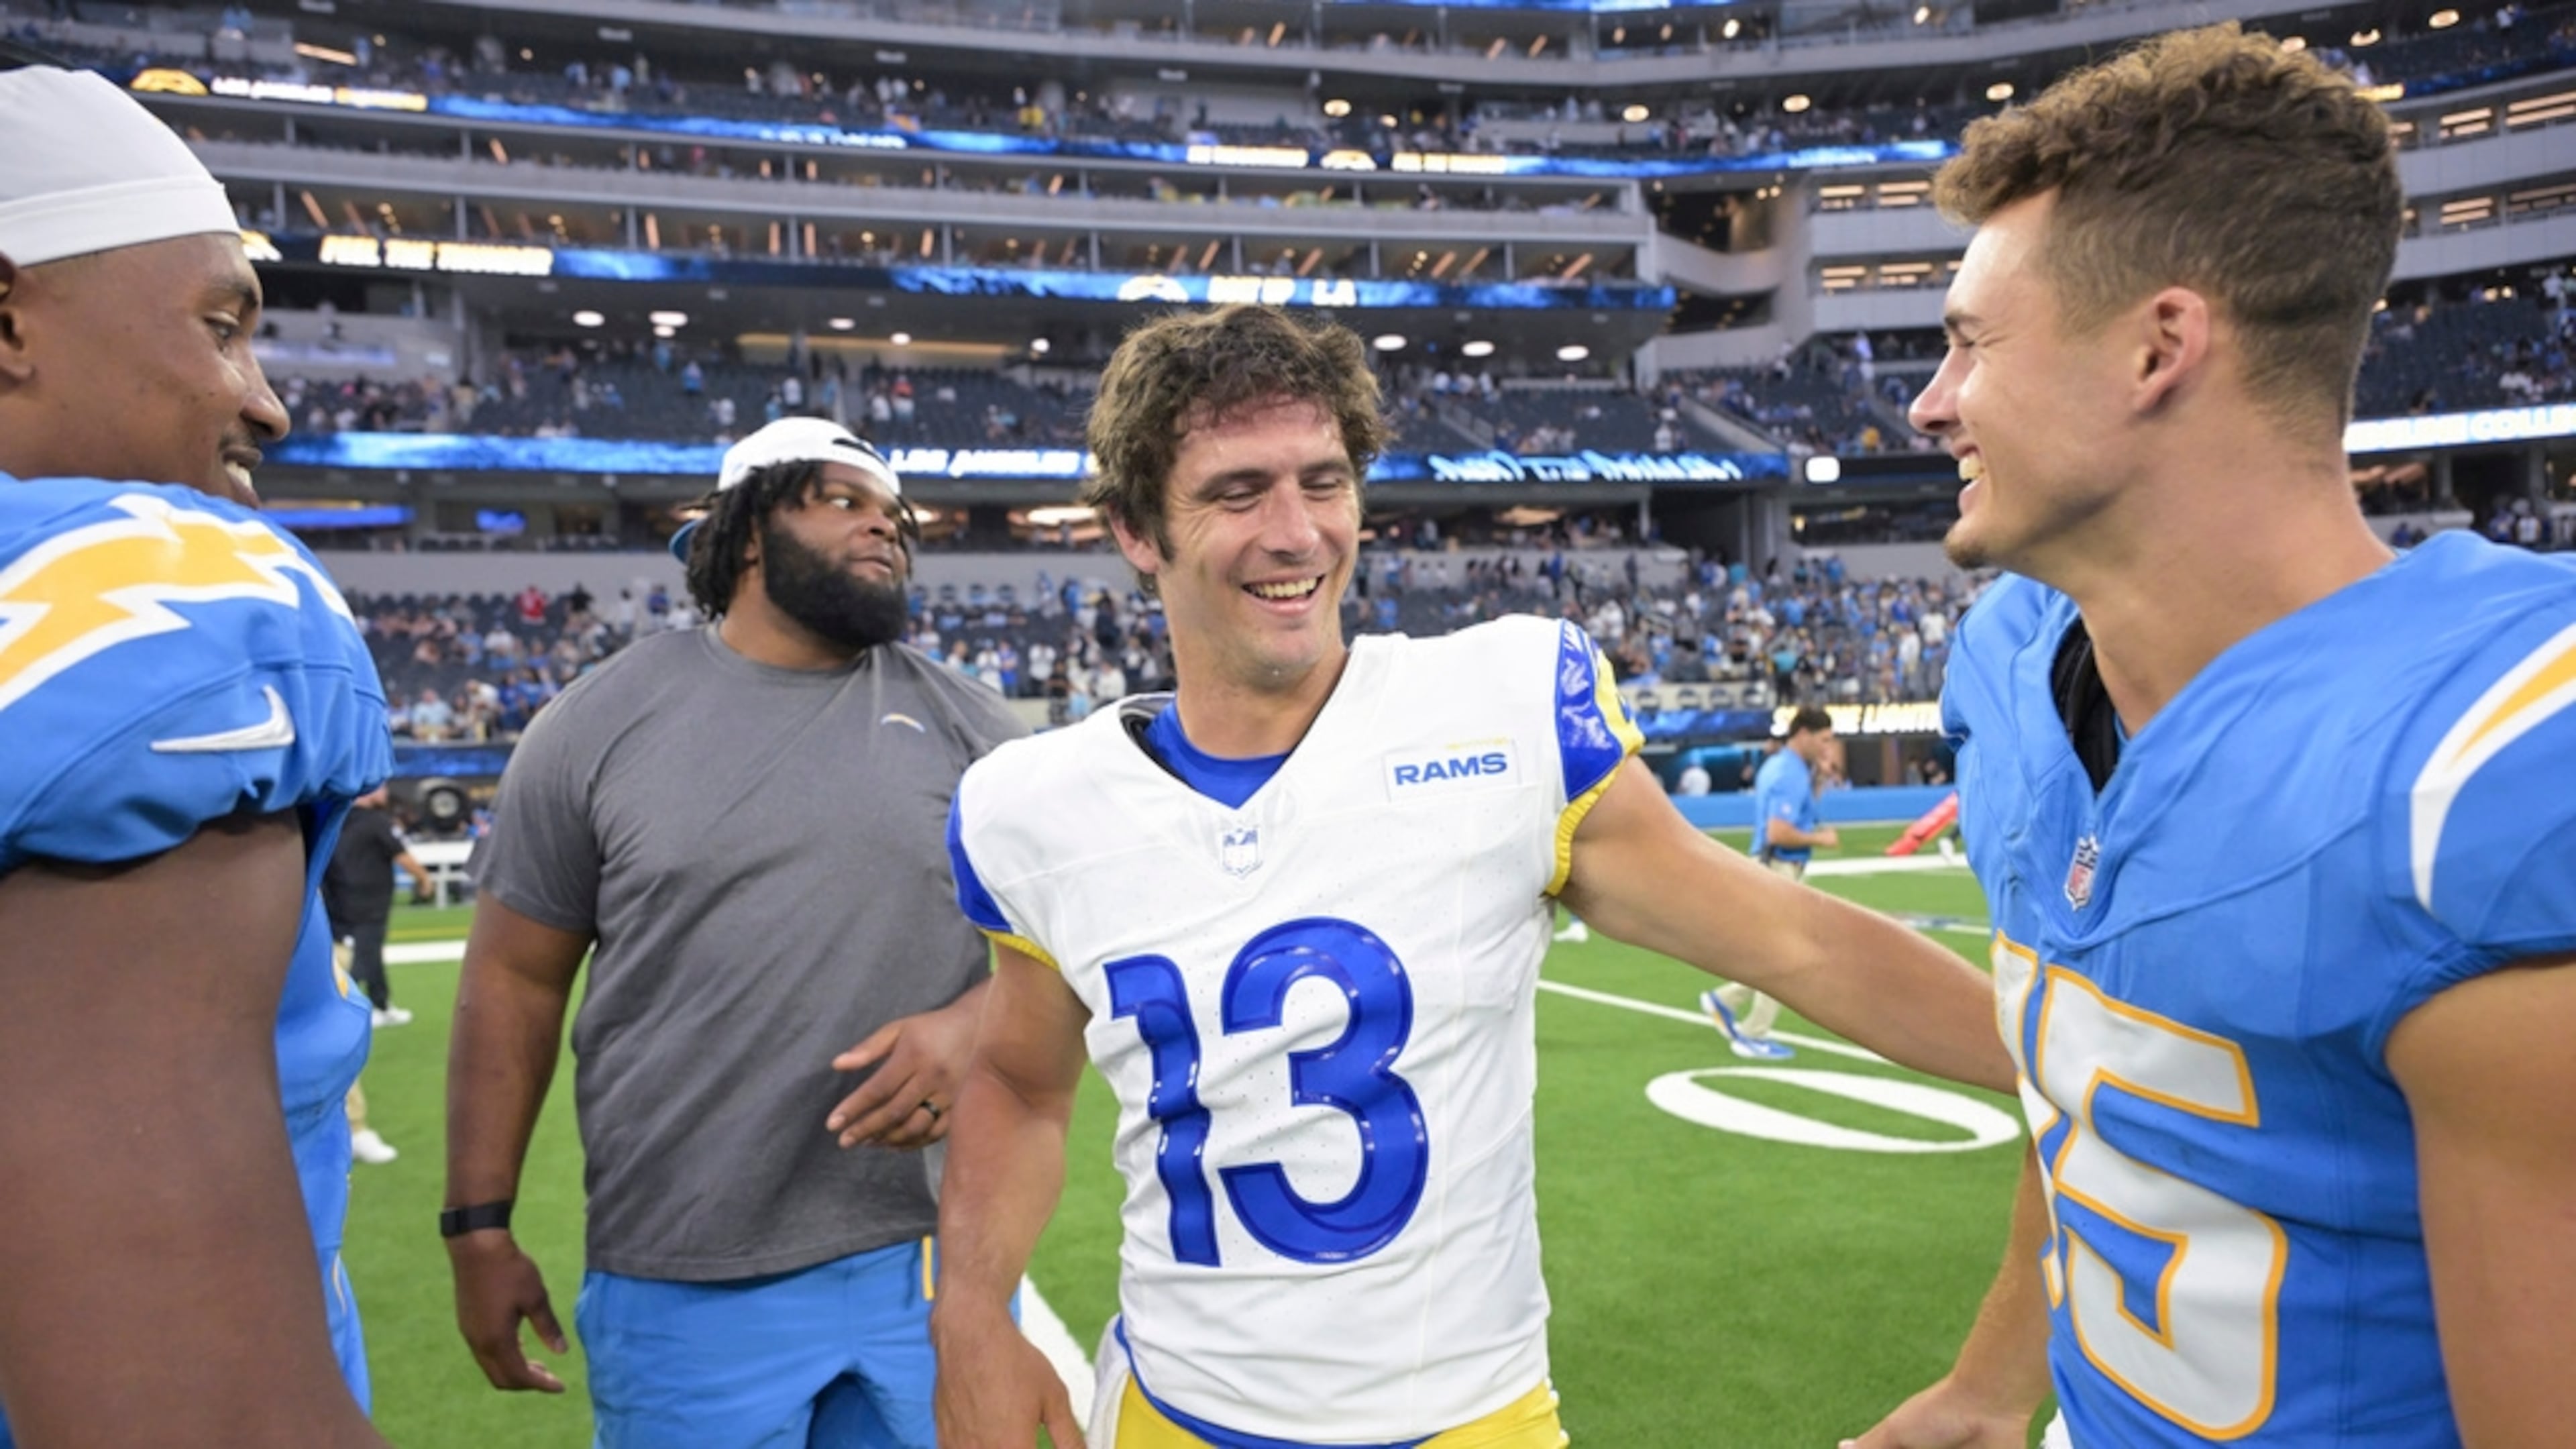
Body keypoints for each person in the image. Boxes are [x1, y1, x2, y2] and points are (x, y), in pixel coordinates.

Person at [930, 305, 2017, 1449]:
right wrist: (969, 1310)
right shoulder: (1038, 805)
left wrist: (2091, 1079)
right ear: (1136, 531)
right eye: (1236, 492)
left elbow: (1798, 944)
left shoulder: (1498, 712)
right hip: (1175, 1413)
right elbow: (1018, 1080)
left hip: (1470, 1419)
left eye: (1325, 481)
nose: (1297, 533)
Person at [1854, 25, 2576, 1449]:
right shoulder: (2014, 656)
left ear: (2156, 348)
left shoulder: (2478, 764)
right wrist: (1997, 1387)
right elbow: (2099, 1084)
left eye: (1968, 343)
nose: (1933, 403)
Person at [445, 417, 1025, 1449]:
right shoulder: (594, 724)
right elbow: (513, 983)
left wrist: (977, 1019)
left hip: (933, 1262)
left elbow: (1073, 947)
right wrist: (477, 1228)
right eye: (842, 501)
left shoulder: (980, 727)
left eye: (893, 515)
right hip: (684, 1274)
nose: (883, 529)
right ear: (750, 529)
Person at [0, 65, 391, 1448]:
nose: (267, 402)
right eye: (222, 327)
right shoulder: (131, 605)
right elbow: (204, 1410)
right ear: (9, 320)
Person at [1702, 706, 1842, 1061]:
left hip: (1778, 868)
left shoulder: (1789, 768)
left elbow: (1799, 811)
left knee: (1775, 952)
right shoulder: (1787, 773)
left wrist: (1820, 778)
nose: (1828, 749)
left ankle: (1726, 1000)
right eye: (1823, 741)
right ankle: (1753, 1033)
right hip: (1777, 867)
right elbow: (1779, 832)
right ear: (1804, 734)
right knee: (1787, 958)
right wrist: (1820, 840)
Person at [324, 784, 432, 1030]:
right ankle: (343, 1008)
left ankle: (381, 1004)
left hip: (338, 899)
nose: (385, 794)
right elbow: (402, 856)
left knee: (366, 954)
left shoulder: (336, 819)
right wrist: (424, 879)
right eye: (381, 789)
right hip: (371, 900)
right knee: (365, 956)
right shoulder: (377, 822)